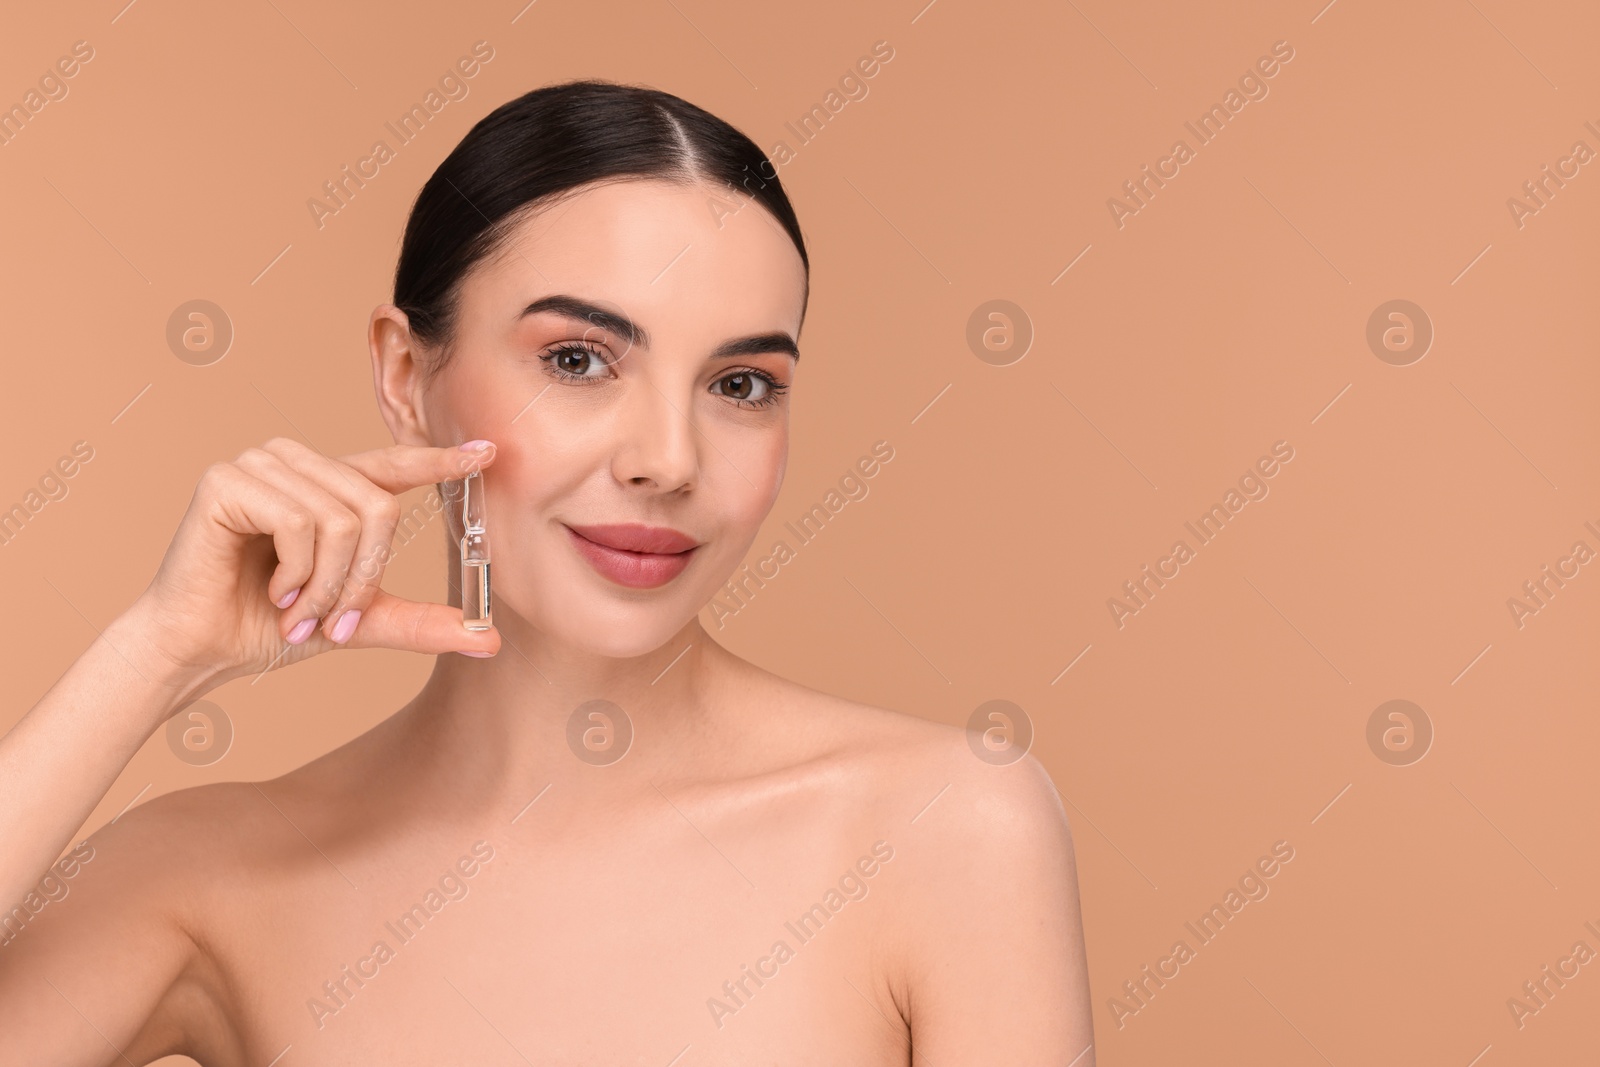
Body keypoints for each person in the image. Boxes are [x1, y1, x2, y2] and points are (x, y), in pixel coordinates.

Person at [0, 79, 1093, 1064]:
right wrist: (155, 653)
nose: (668, 459)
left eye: (743, 384)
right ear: (403, 371)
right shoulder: (204, 876)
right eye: (579, 360)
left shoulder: (943, 827)